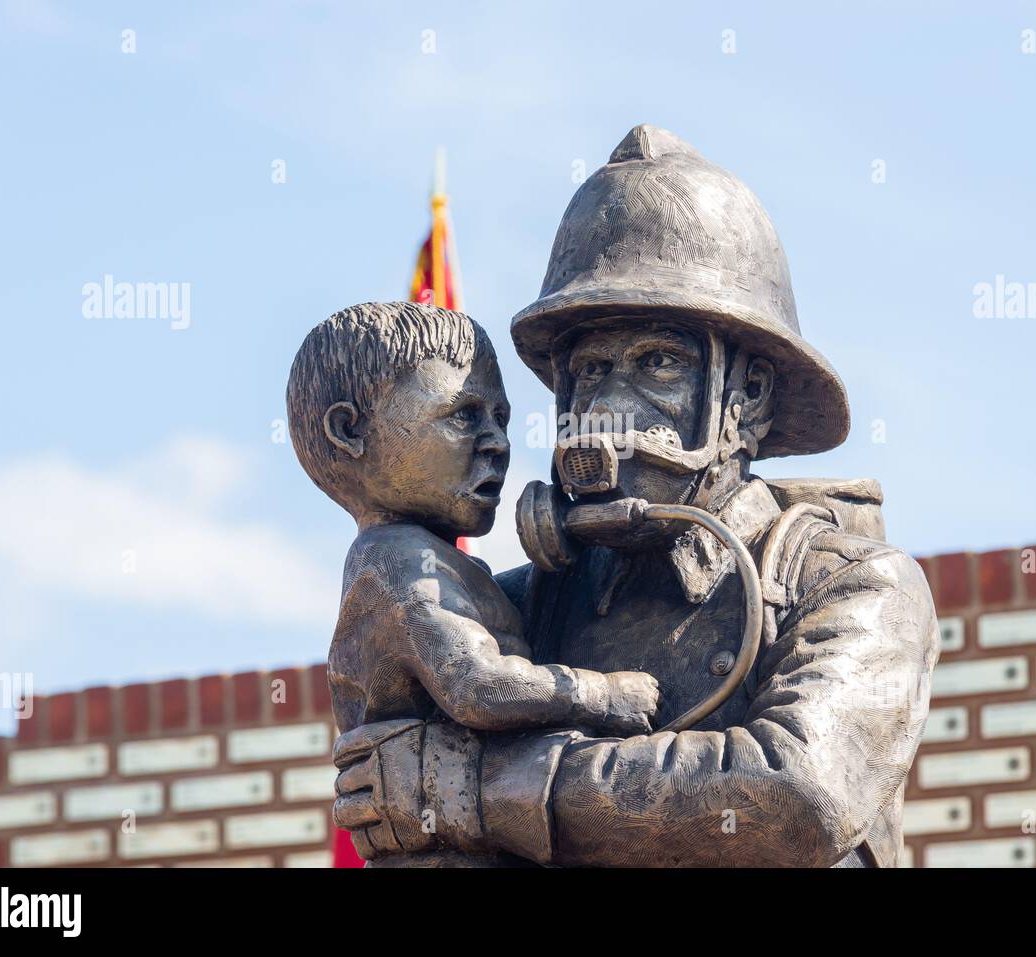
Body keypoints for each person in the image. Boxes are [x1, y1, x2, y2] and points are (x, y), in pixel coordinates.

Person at [331, 127, 940, 867]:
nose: (609, 404)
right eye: (589, 370)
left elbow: (796, 794)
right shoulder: (516, 611)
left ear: (745, 395)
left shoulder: (851, 584)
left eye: (657, 362)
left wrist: (486, 790)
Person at [285, 302, 662, 852]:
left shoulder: (428, 562)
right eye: (464, 415)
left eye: (501, 419)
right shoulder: (400, 566)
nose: (497, 442)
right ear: (349, 430)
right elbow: (476, 685)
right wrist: (599, 693)